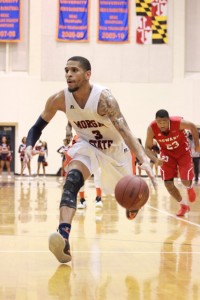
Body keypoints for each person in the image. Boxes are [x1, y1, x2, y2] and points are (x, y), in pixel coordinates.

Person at [24, 56, 155, 264]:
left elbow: (125, 130)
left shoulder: (104, 99)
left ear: (87, 74)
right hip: (87, 145)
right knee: (72, 180)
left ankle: (133, 205)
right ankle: (64, 237)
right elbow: (37, 126)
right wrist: (29, 145)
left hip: (114, 150)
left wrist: (143, 159)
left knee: (132, 194)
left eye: (74, 70)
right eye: (66, 70)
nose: (68, 74)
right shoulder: (58, 99)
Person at [145, 109, 200, 217]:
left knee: (184, 181)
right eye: (159, 122)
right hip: (167, 153)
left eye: (164, 121)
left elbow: (193, 126)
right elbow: (147, 148)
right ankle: (183, 205)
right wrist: (156, 160)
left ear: (169, 120)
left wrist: (197, 144)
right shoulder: (152, 128)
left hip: (183, 151)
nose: (162, 124)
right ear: (156, 121)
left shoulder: (178, 123)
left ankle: (189, 187)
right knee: (168, 184)